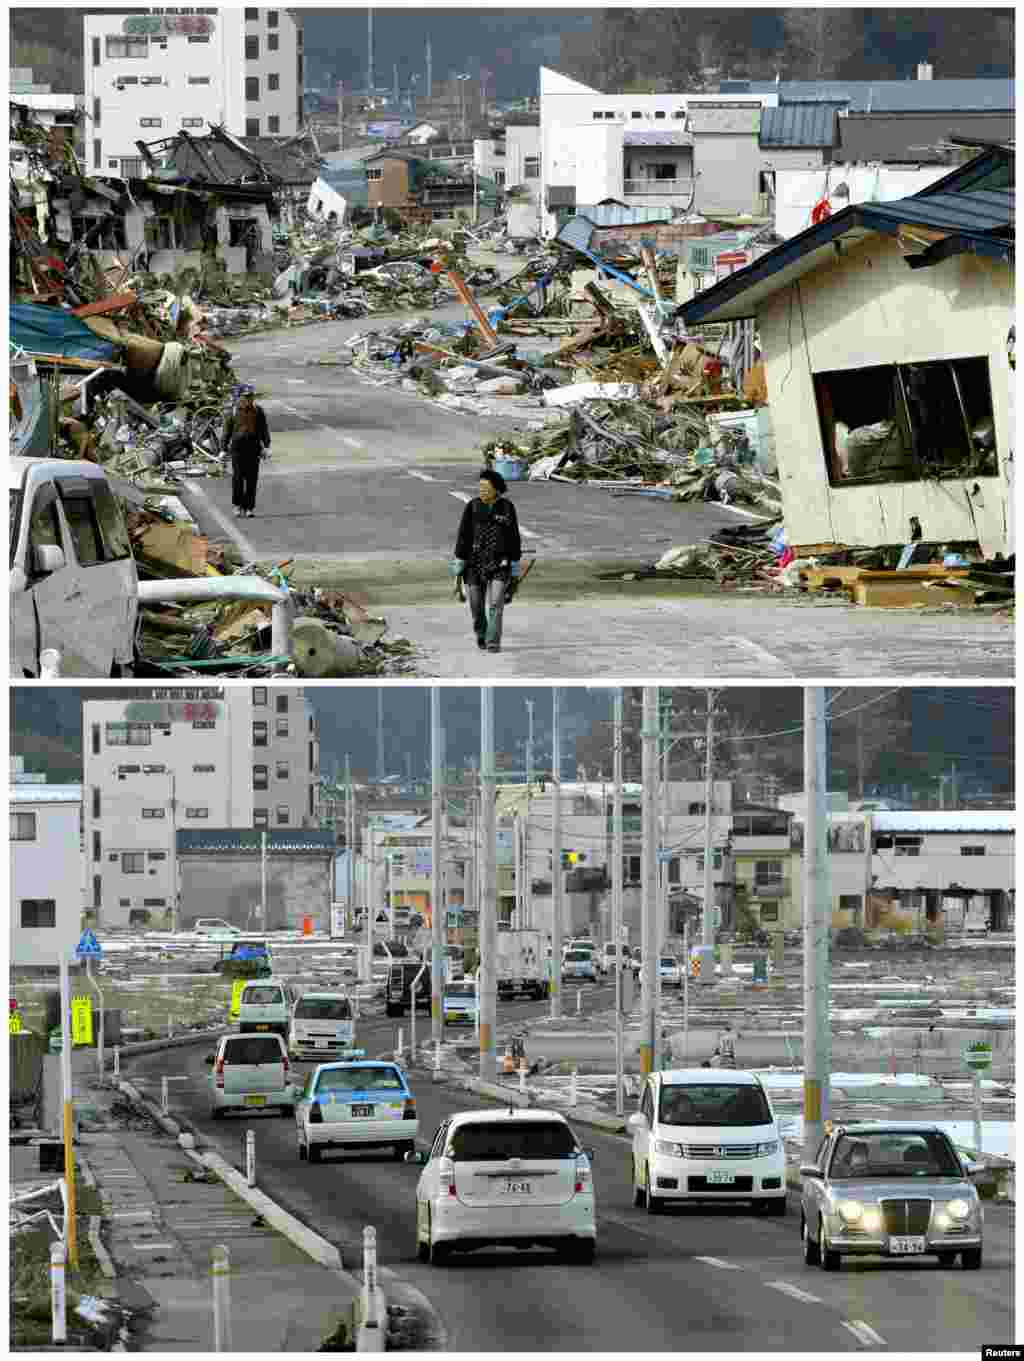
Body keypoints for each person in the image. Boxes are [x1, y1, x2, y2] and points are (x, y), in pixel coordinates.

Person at [450, 467, 522, 653]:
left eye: (486, 487)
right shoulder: (472, 506)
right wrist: (459, 561)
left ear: (496, 489)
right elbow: (463, 535)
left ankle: (493, 641)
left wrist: (514, 563)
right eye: (480, 487)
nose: (482, 490)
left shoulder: (507, 508)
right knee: (476, 605)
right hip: (474, 562)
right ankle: (481, 632)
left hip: (500, 562)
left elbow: (514, 536)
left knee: (496, 603)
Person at [223, 386, 271, 518]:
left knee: (251, 479)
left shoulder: (258, 411)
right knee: (238, 478)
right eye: (246, 397)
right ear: (240, 398)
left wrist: (266, 446)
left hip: (253, 449)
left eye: (251, 397)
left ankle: (249, 507)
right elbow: (227, 431)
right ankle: (237, 505)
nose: (249, 399)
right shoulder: (233, 411)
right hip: (237, 449)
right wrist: (223, 449)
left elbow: (263, 430)